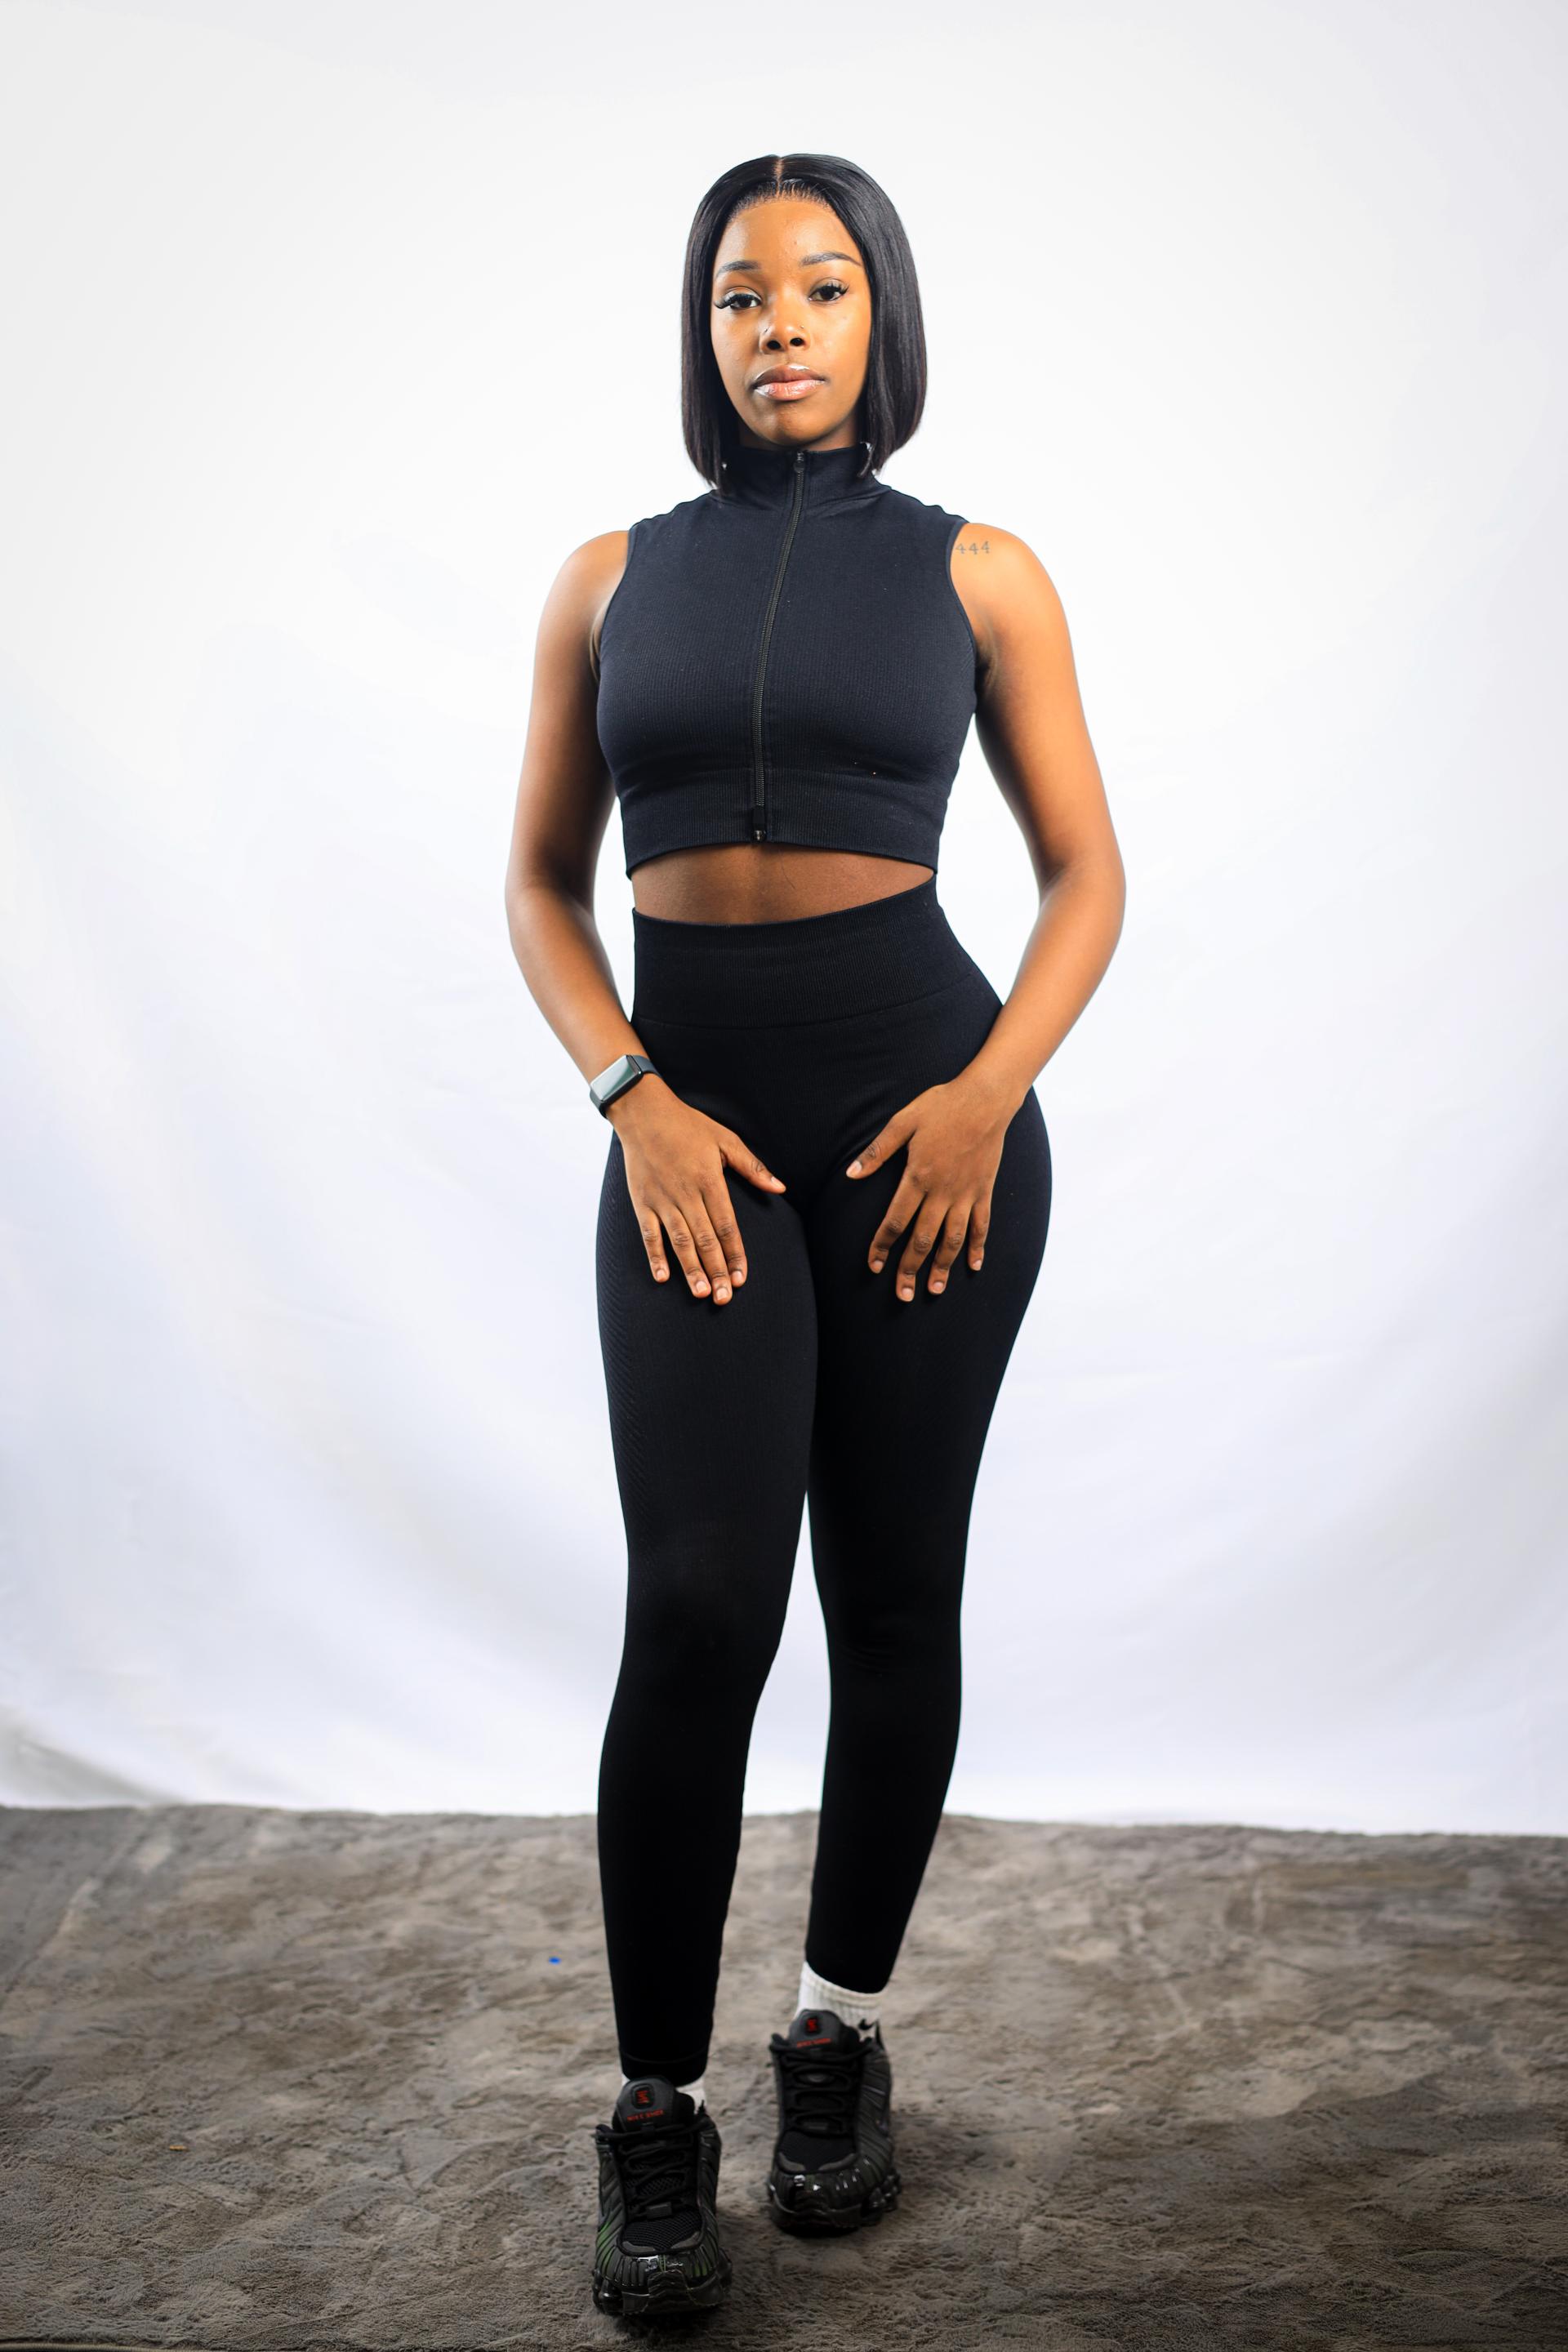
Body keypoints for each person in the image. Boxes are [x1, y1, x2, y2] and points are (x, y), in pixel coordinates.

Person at [504, 150, 1125, 2321]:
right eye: (741, 292)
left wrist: (984, 1096)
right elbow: (539, 886)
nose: (778, 322)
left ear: (884, 318)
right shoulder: (607, 579)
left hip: (927, 1132)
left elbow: (1087, 877)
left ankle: (836, 2034)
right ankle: (654, 2116)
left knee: (892, 1587)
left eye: (823, 286)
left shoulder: (984, 573)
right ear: (704, 331)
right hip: (690, 1136)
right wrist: (633, 1099)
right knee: (695, 1605)